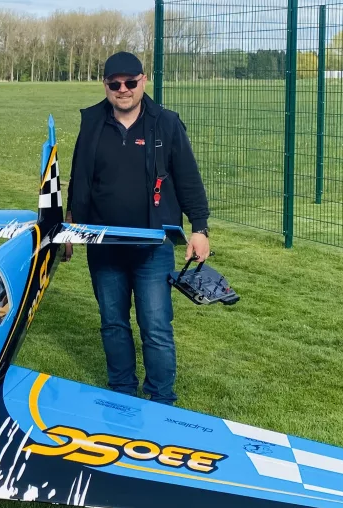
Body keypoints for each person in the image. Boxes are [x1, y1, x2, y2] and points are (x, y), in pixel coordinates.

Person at [66, 51, 211, 405]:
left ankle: (161, 398)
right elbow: (80, 180)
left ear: (143, 80)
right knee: (113, 323)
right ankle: (123, 393)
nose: (123, 90)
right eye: (115, 84)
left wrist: (200, 228)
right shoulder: (92, 122)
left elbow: (188, 177)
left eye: (130, 82)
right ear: (106, 86)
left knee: (156, 327)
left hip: (154, 245)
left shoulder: (166, 123)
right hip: (104, 243)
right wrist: (69, 228)